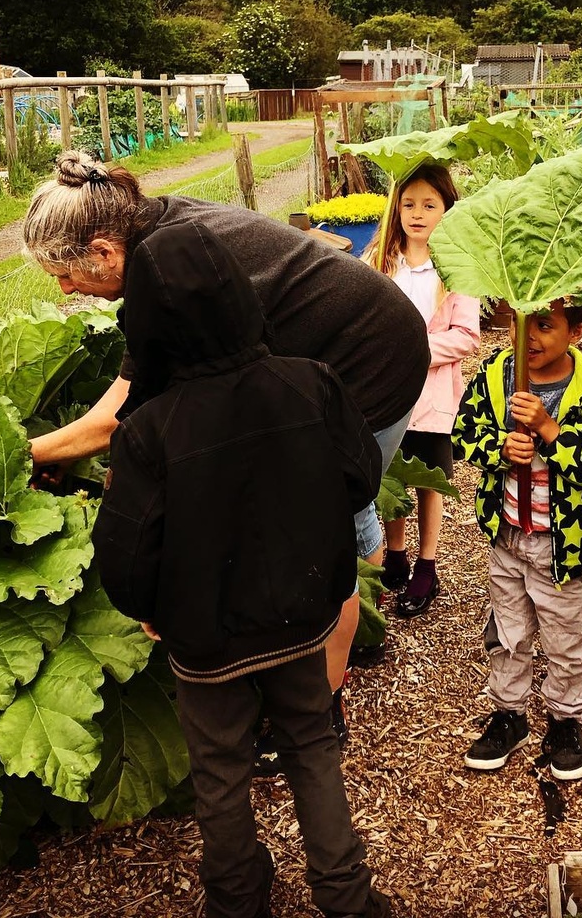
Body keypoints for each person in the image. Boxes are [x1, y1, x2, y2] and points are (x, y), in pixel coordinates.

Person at [22, 151, 429, 740]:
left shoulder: (158, 270)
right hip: (335, 345)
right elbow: (139, 390)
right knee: (333, 511)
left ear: (106, 251)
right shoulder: (156, 231)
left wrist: (30, 453)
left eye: (64, 275)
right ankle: (351, 630)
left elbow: (121, 414)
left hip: (372, 356)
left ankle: (321, 707)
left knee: (324, 530)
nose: (64, 288)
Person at [93, 220, 389, 918]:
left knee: (220, 770)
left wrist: (146, 605)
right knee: (311, 745)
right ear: (240, 294)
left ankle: (235, 899)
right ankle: (346, 896)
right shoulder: (310, 383)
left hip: (204, 638)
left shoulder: (149, 429)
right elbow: (359, 478)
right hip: (299, 613)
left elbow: (127, 550)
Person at [453, 296, 582, 781]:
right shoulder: (494, 374)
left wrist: (549, 429)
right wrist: (499, 448)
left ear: (576, 332)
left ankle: (566, 720)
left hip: (562, 547)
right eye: (518, 323)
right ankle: (509, 714)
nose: (527, 337)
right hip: (508, 534)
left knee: (566, 637)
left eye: (544, 326)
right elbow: (464, 435)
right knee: (508, 631)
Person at [365, 164, 480, 618]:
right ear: (396, 207)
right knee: (391, 479)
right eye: (408, 204)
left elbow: (467, 335)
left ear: (446, 210)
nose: (417, 214)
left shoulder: (456, 269)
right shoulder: (378, 259)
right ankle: (395, 553)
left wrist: (413, 350)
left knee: (430, 481)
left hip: (431, 398)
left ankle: (427, 565)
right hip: (385, 396)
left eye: (429, 205)